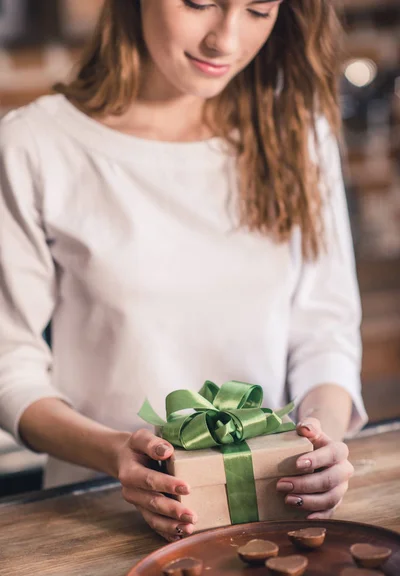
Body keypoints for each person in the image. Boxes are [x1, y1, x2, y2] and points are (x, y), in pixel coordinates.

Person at [0, 0, 368, 543]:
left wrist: (322, 440)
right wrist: (114, 452)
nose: (226, 39)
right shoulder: (36, 145)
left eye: (258, 11)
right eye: (199, 2)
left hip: (268, 511)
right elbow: (8, 363)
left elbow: (325, 331)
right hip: (97, 517)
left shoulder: (299, 132)